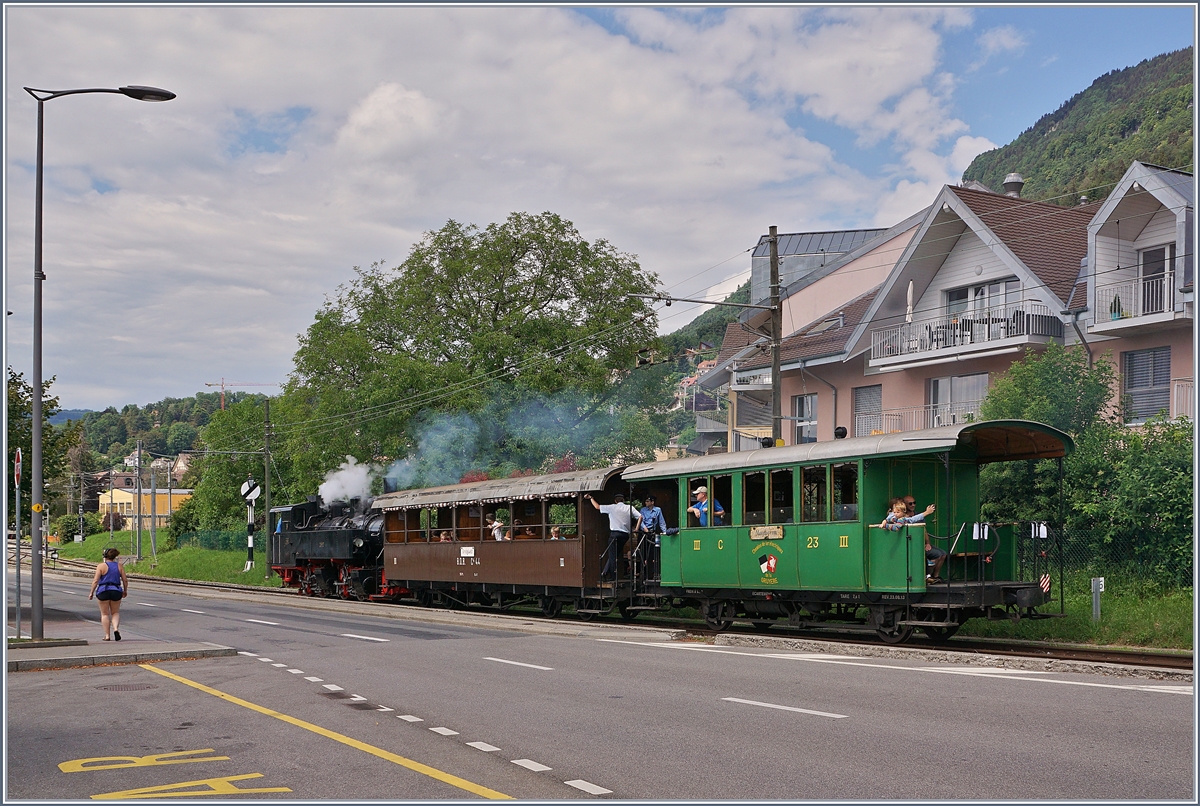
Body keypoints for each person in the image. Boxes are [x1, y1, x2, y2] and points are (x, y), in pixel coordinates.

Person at [585, 493, 640, 580]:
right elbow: (640, 517)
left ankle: (612, 577)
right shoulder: (629, 507)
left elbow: (597, 507)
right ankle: (605, 572)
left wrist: (591, 498)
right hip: (625, 535)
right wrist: (636, 529)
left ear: (615, 501)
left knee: (612, 555)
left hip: (615, 534)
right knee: (614, 554)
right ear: (623, 500)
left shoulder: (612, 507)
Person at [88, 547, 128, 641]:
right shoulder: (119, 566)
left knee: (105, 614)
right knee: (115, 612)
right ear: (115, 556)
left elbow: (95, 581)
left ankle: (107, 635)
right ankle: (116, 629)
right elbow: (125, 580)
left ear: (105, 556)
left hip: (103, 591)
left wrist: (91, 592)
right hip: (116, 590)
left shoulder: (101, 566)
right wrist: (125, 590)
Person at [904, 495, 945, 583]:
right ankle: (926, 577)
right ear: (905, 505)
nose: (913, 505)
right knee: (936, 555)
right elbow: (910, 520)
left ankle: (935, 576)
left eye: (914, 503)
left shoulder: (918, 515)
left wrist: (928, 543)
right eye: (910, 503)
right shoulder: (903, 517)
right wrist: (927, 512)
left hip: (921, 544)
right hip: (911, 545)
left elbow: (924, 531)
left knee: (943, 554)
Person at [637, 495, 665, 577]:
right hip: (644, 533)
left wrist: (665, 532)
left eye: (648, 501)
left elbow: (661, 522)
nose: (646, 503)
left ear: (652, 502)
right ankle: (642, 572)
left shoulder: (658, 510)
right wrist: (644, 528)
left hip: (652, 533)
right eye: (645, 501)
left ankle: (651, 573)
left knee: (652, 553)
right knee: (643, 552)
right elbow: (641, 521)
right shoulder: (642, 510)